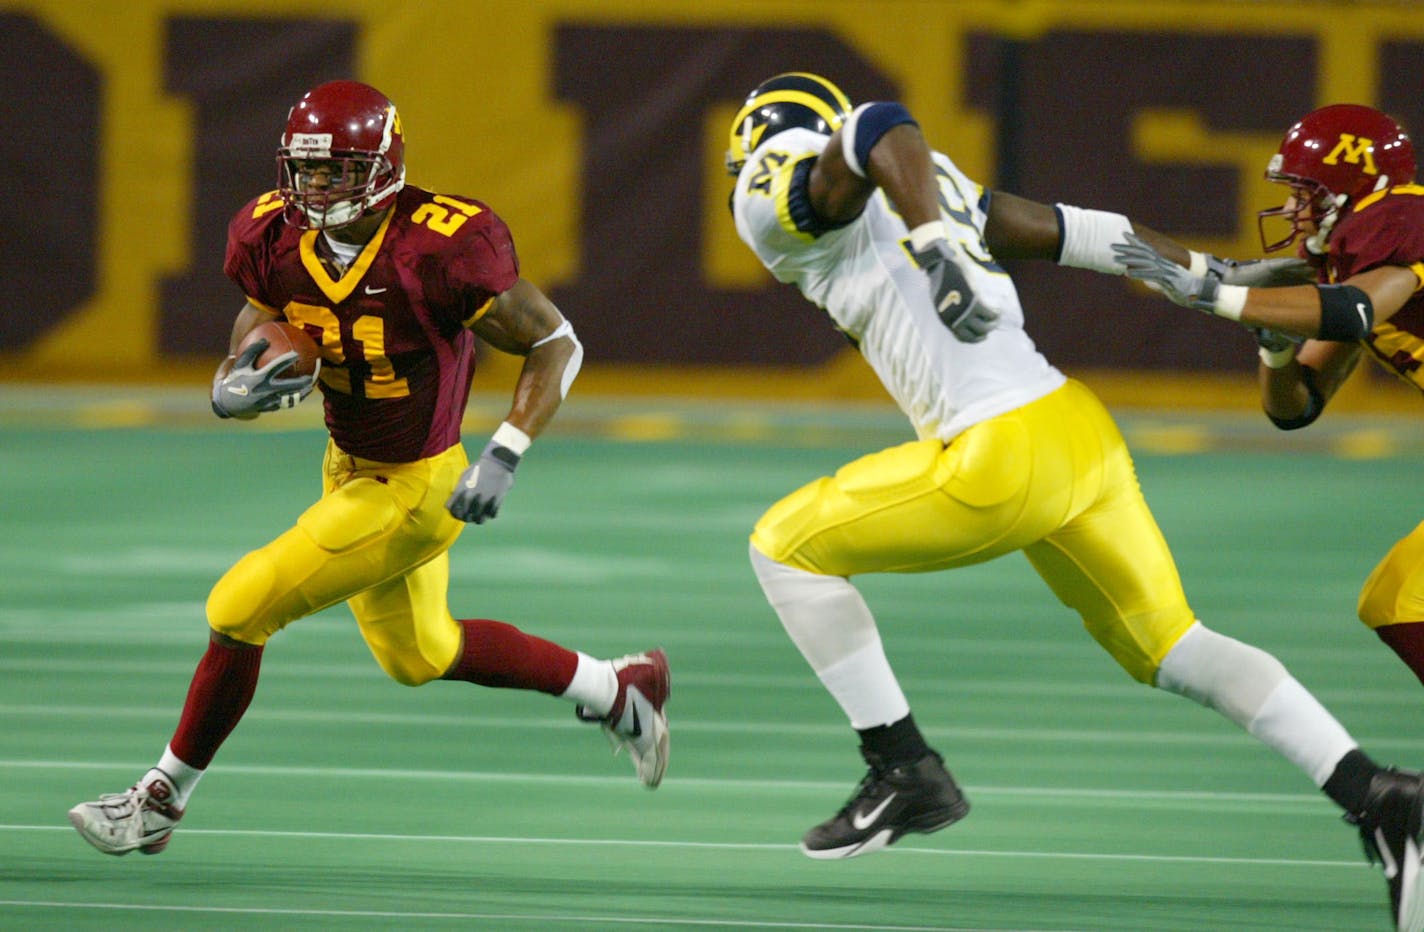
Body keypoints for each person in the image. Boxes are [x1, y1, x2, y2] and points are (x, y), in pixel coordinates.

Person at [725, 73, 1424, 930]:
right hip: (1075, 432)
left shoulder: (779, 189)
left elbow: (876, 121)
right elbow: (1090, 235)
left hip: (999, 450)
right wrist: (1211, 277)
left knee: (782, 545)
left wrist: (937, 240)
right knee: (1174, 646)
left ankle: (902, 767)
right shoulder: (922, 180)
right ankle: (1376, 794)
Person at [67, 80, 670, 858]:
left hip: (416, 485)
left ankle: (158, 799)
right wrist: (239, 368)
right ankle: (618, 689)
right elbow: (263, 307)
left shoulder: (442, 244)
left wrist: (506, 450)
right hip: (346, 464)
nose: (316, 189)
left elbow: (558, 343)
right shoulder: (268, 232)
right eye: (306, 170)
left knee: (238, 606)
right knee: (422, 654)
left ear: (382, 168)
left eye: (338, 172)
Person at [1111, 103, 1424, 684]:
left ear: (1348, 192)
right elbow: (1297, 406)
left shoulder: (1398, 220)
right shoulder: (1351, 259)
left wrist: (1217, 298)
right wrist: (1274, 346)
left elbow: (1354, 311)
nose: (1288, 209)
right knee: (1398, 597)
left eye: (1304, 193)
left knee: (1405, 599)